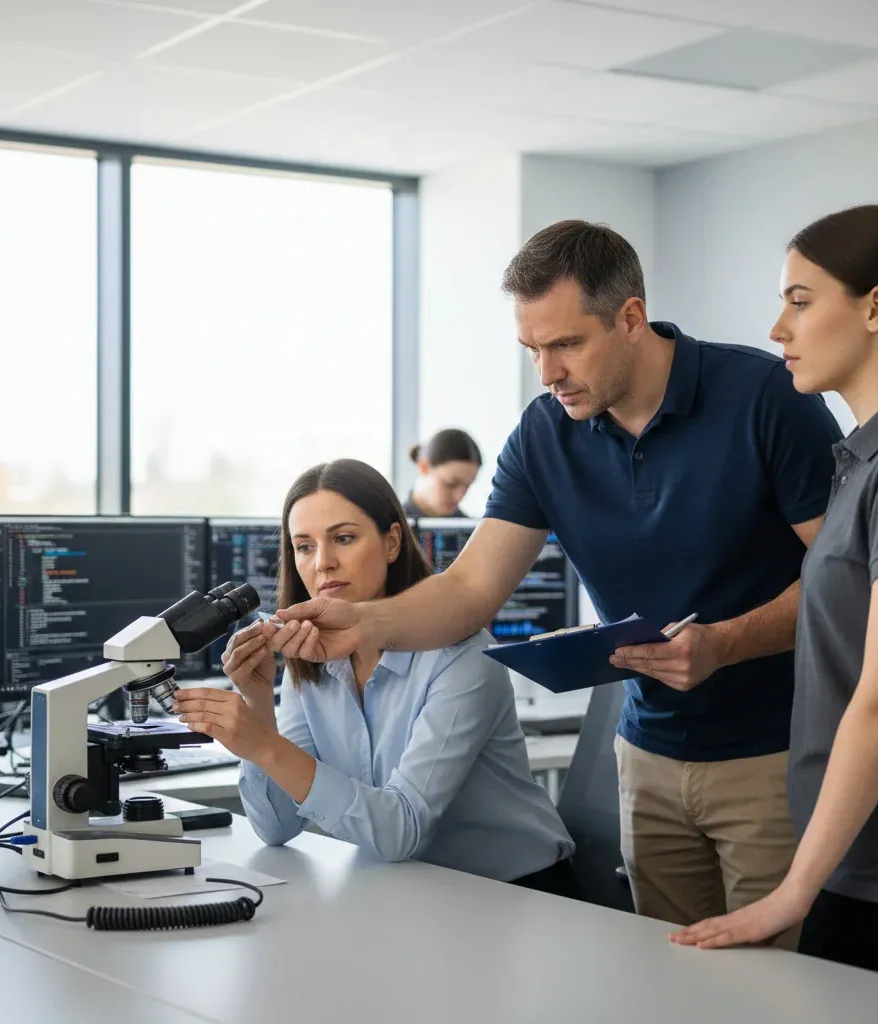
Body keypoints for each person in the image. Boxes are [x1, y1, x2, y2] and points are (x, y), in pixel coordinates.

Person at [265, 221, 843, 942]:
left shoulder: (765, 397)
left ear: (630, 317)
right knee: (675, 979)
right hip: (647, 753)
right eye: (531, 349)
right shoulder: (544, 434)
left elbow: (845, 581)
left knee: (776, 980)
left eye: (566, 344)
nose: (547, 373)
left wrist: (725, 643)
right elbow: (470, 591)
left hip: (772, 749)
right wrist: (364, 624)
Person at [671, 205, 878, 986]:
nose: (777, 328)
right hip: (856, 861)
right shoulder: (871, 455)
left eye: (800, 301)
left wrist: (791, 894)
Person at [173, 458, 575, 892]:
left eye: (343, 538)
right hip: (410, 891)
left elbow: (401, 828)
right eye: (304, 546)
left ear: (392, 542)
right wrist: (258, 707)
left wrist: (264, 745)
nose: (323, 563)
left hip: (519, 894)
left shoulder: (462, 655)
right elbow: (277, 827)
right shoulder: (309, 660)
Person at [402, 428, 482, 518]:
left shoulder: (473, 526)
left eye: (467, 486)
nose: (459, 497)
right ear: (424, 467)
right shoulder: (392, 523)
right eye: (451, 484)